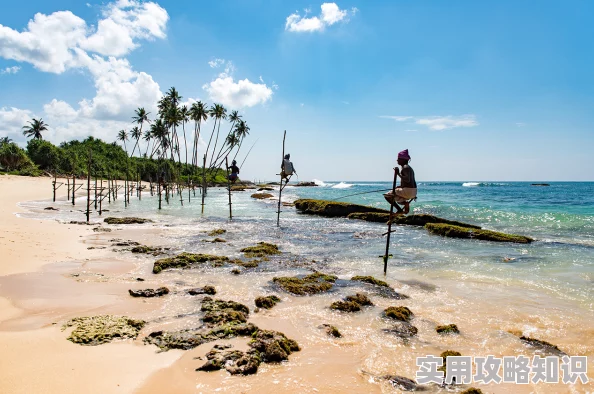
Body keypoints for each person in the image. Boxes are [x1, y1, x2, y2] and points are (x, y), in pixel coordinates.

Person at [383, 149, 417, 215]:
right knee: (396, 198)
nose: (397, 160)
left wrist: (398, 173)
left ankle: (399, 210)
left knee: (387, 196)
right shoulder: (409, 168)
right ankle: (405, 203)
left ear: (403, 159)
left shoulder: (405, 167)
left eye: (398, 159)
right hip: (413, 192)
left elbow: (407, 180)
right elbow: (411, 182)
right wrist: (401, 186)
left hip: (408, 191)